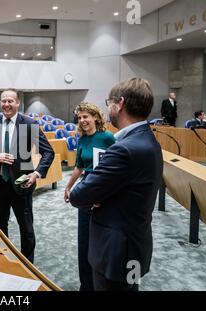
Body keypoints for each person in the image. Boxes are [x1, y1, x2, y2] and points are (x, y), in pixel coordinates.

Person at [69, 78, 163, 291]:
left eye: (108, 102)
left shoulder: (124, 149)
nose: (107, 107)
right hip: (136, 245)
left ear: (119, 103)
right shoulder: (148, 139)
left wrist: (96, 196)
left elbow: (79, 195)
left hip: (115, 253)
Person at [0, 89, 54, 263]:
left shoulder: (29, 124)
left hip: (22, 184)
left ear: (17, 103)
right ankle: (3, 260)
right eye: (3, 101)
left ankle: (28, 263)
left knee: (26, 227)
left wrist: (36, 173)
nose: (6, 104)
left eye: (10, 101)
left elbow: (48, 152)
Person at [64, 103, 115, 291]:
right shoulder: (82, 140)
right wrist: (68, 187)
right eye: (79, 118)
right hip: (86, 190)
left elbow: (117, 166)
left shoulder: (108, 138)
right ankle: (86, 285)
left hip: (104, 193)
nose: (83, 121)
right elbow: (79, 166)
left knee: (101, 241)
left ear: (95, 117)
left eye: (86, 116)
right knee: (84, 241)